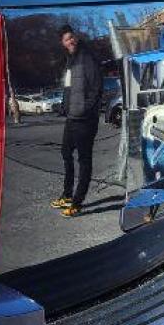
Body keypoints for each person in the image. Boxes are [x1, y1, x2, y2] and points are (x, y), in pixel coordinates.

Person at [53, 25, 102, 217]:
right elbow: (68, 88)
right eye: (66, 39)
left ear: (76, 37)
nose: (70, 41)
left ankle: (77, 202)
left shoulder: (87, 57)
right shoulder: (70, 61)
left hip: (85, 119)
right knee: (66, 152)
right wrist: (65, 107)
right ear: (63, 43)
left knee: (84, 159)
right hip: (72, 118)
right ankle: (67, 194)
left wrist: (85, 109)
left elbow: (97, 88)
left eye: (71, 37)